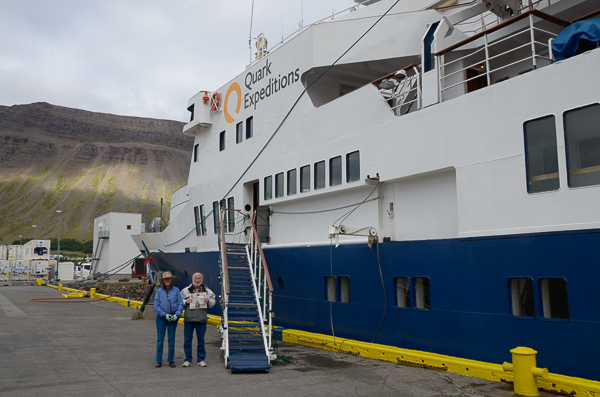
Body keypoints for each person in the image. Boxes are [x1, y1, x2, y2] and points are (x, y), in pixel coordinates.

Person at [180, 272, 215, 367]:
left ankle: (201, 359)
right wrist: (185, 301)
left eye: (199, 278)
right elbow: (178, 302)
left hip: (201, 319)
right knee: (187, 341)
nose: (197, 280)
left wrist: (208, 301)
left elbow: (213, 302)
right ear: (192, 279)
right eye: (195, 278)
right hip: (189, 319)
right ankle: (187, 359)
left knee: (201, 341)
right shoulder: (185, 291)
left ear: (202, 280)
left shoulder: (207, 291)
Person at [154, 271, 184, 368]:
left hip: (173, 317)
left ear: (171, 280)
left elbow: (180, 303)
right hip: (161, 318)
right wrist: (163, 314)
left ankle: (171, 360)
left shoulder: (176, 290)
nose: (167, 281)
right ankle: (158, 360)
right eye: (165, 279)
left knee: (171, 339)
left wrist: (177, 314)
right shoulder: (159, 291)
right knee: (160, 339)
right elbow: (156, 306)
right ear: (163, 280)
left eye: (169, 279)